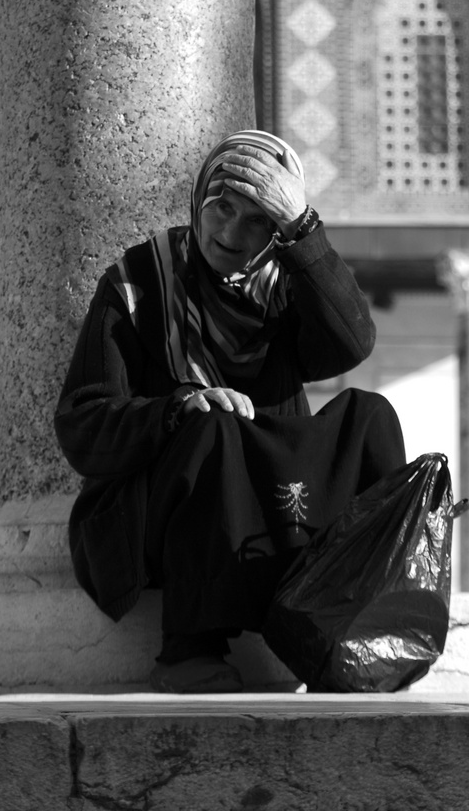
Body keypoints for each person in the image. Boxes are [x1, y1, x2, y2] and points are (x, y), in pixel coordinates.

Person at [54, 129, 406, 693]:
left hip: (268, 504)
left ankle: (354, 632)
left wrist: (304, 232)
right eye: (222, 208)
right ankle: (188, 650)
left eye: (257, 221)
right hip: (149, 521)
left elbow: (352, 344)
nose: (230, 233)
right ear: (200, 200)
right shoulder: (137, 283)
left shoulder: (286, 290)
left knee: (370, 417)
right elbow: (82, 423)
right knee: (213, 427)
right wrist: (176, 409)